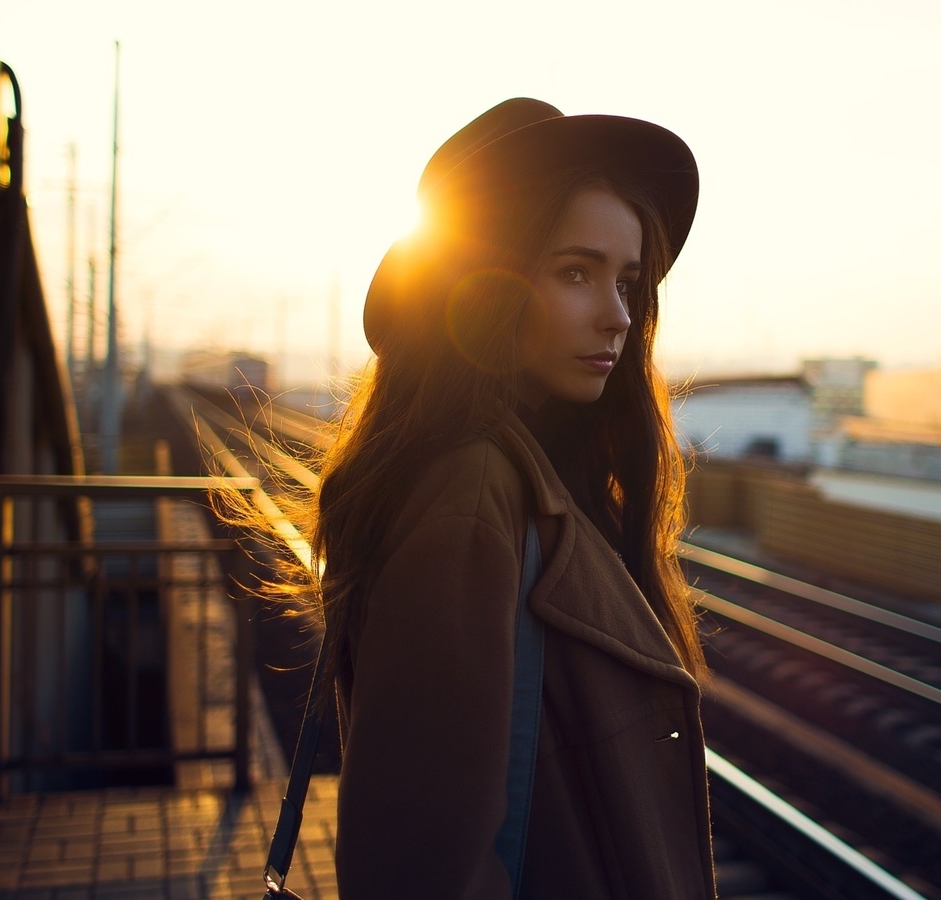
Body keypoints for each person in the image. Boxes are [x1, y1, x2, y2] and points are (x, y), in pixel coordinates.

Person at [312, 98, 715, 898]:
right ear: (484, 288)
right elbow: (422, 870)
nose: (617, 315)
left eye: (627, 281)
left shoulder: (525, 477)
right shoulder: (470, 500)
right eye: (575, 273)